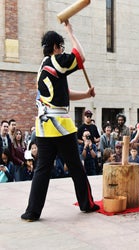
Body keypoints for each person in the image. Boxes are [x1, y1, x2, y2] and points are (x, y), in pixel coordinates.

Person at [21, 21, 99, 222]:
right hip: (60, 126)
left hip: (44, 126)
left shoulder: (44, 66)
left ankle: (32, 212)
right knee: (76, 167)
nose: (62, 50)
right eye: (61, 46)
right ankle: (86, 203)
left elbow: (64, 95)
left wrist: (86, 94)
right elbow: (81, 56)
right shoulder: (56, 61)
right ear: (56, 47)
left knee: (42, 170)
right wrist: (71, 32)